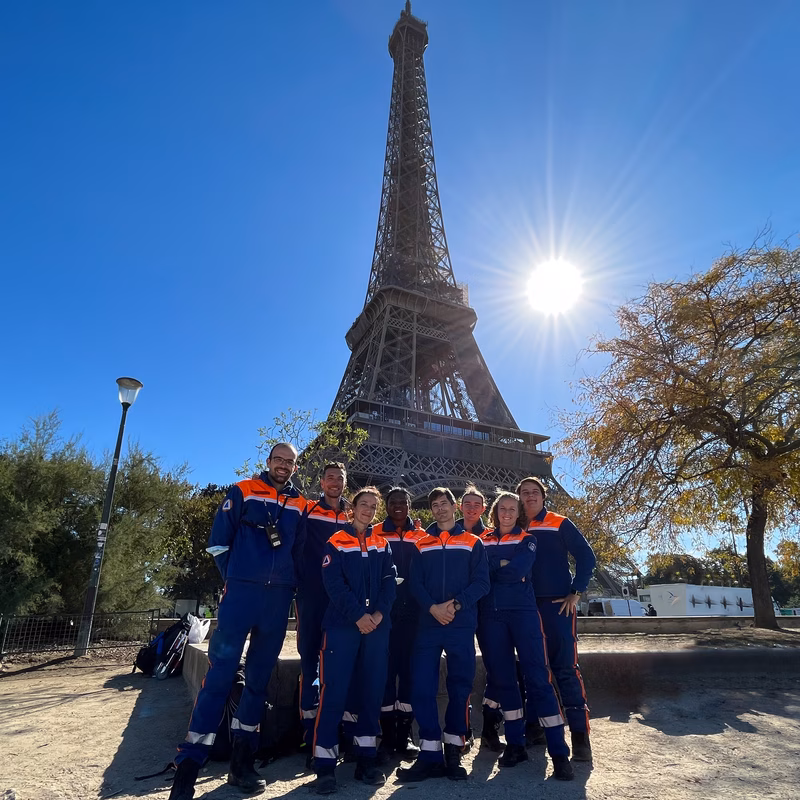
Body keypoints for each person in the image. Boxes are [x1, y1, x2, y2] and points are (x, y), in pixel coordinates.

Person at [169, 443, 308, 800]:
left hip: (277, 600)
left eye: (289, 462)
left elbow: (301, 552)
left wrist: (289, 585)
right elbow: (219, 542)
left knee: (258, 682)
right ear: (269, 462)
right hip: (241, 596)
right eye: (279, 460)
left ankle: (242, 761)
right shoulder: (243, 490)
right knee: (219, 675)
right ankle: (189, 765)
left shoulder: (300, 503)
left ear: (295, 466)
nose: (283, 466)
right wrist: (237, 577)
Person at [478, 492, 573, 780]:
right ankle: (516, 744)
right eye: (502, 508)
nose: (506, 513)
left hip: (523, 614)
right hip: (491, 617)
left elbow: (517, 570)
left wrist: (498, 568)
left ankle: (559, 752)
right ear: (495, 512)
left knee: (538, 679)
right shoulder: (480, 540)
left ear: (518, 513)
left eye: (512, 509)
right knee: (505, 682)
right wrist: (502, 567)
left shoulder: (528, 539)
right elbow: (480, 573)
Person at [396, 488, 489, 783]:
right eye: (434, 505)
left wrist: (456, 604)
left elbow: (482, 582)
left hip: (461, 623)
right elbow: (415, 583)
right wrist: (433, 608)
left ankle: (453, 749)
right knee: (421, 687)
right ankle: (429, 753)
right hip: (429, 623)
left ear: (454, 506)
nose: (440, 509)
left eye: (444, 504)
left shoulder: (473, 542)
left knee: (460, 688)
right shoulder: (422, 544)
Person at [312, 487, 397, 794]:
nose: (369, 510)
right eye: (364, 504)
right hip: (343, 626)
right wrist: (357, 616)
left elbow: (391, 582)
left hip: (376, 626)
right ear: (353, 507)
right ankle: (324, 764)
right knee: (334, 694)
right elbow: (332, 583)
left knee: (372, 694)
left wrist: (377, 614)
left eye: (374, 506)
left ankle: (366, 758)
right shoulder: (336, 542)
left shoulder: (382, 543)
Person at [518, 476, 596, 763]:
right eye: (525, 493)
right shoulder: (516, 526)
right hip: (525, 609)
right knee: (533, 670)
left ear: (543, 495)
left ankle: (580, 737)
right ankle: (536, 728)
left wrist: (576, 591)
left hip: (556, 607)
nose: (530, 496)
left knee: (564, 668)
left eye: (534, 492)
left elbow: (586, 556)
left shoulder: (559, 522)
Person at [296, 462, 350, 762]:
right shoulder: (307, 510)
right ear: (322, 481)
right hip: (314, 595)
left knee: (342, 663)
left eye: (339, 478)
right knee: (309, 661)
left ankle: (339, 731)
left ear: (345, 482)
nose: (334, 482)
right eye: (330, 477)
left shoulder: (354, 515)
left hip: (343, 598)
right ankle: (309, 733)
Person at [373, 487, 425, 761]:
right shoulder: (375, 533)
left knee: (408, 675)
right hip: (385, 613)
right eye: (392, 502)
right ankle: (387, 736)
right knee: (384, 674)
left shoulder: (422, 535)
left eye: (402, 502)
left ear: (409, 504)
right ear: (386, 506)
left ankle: (404, 735)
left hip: (413, 614)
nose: (397, 506)